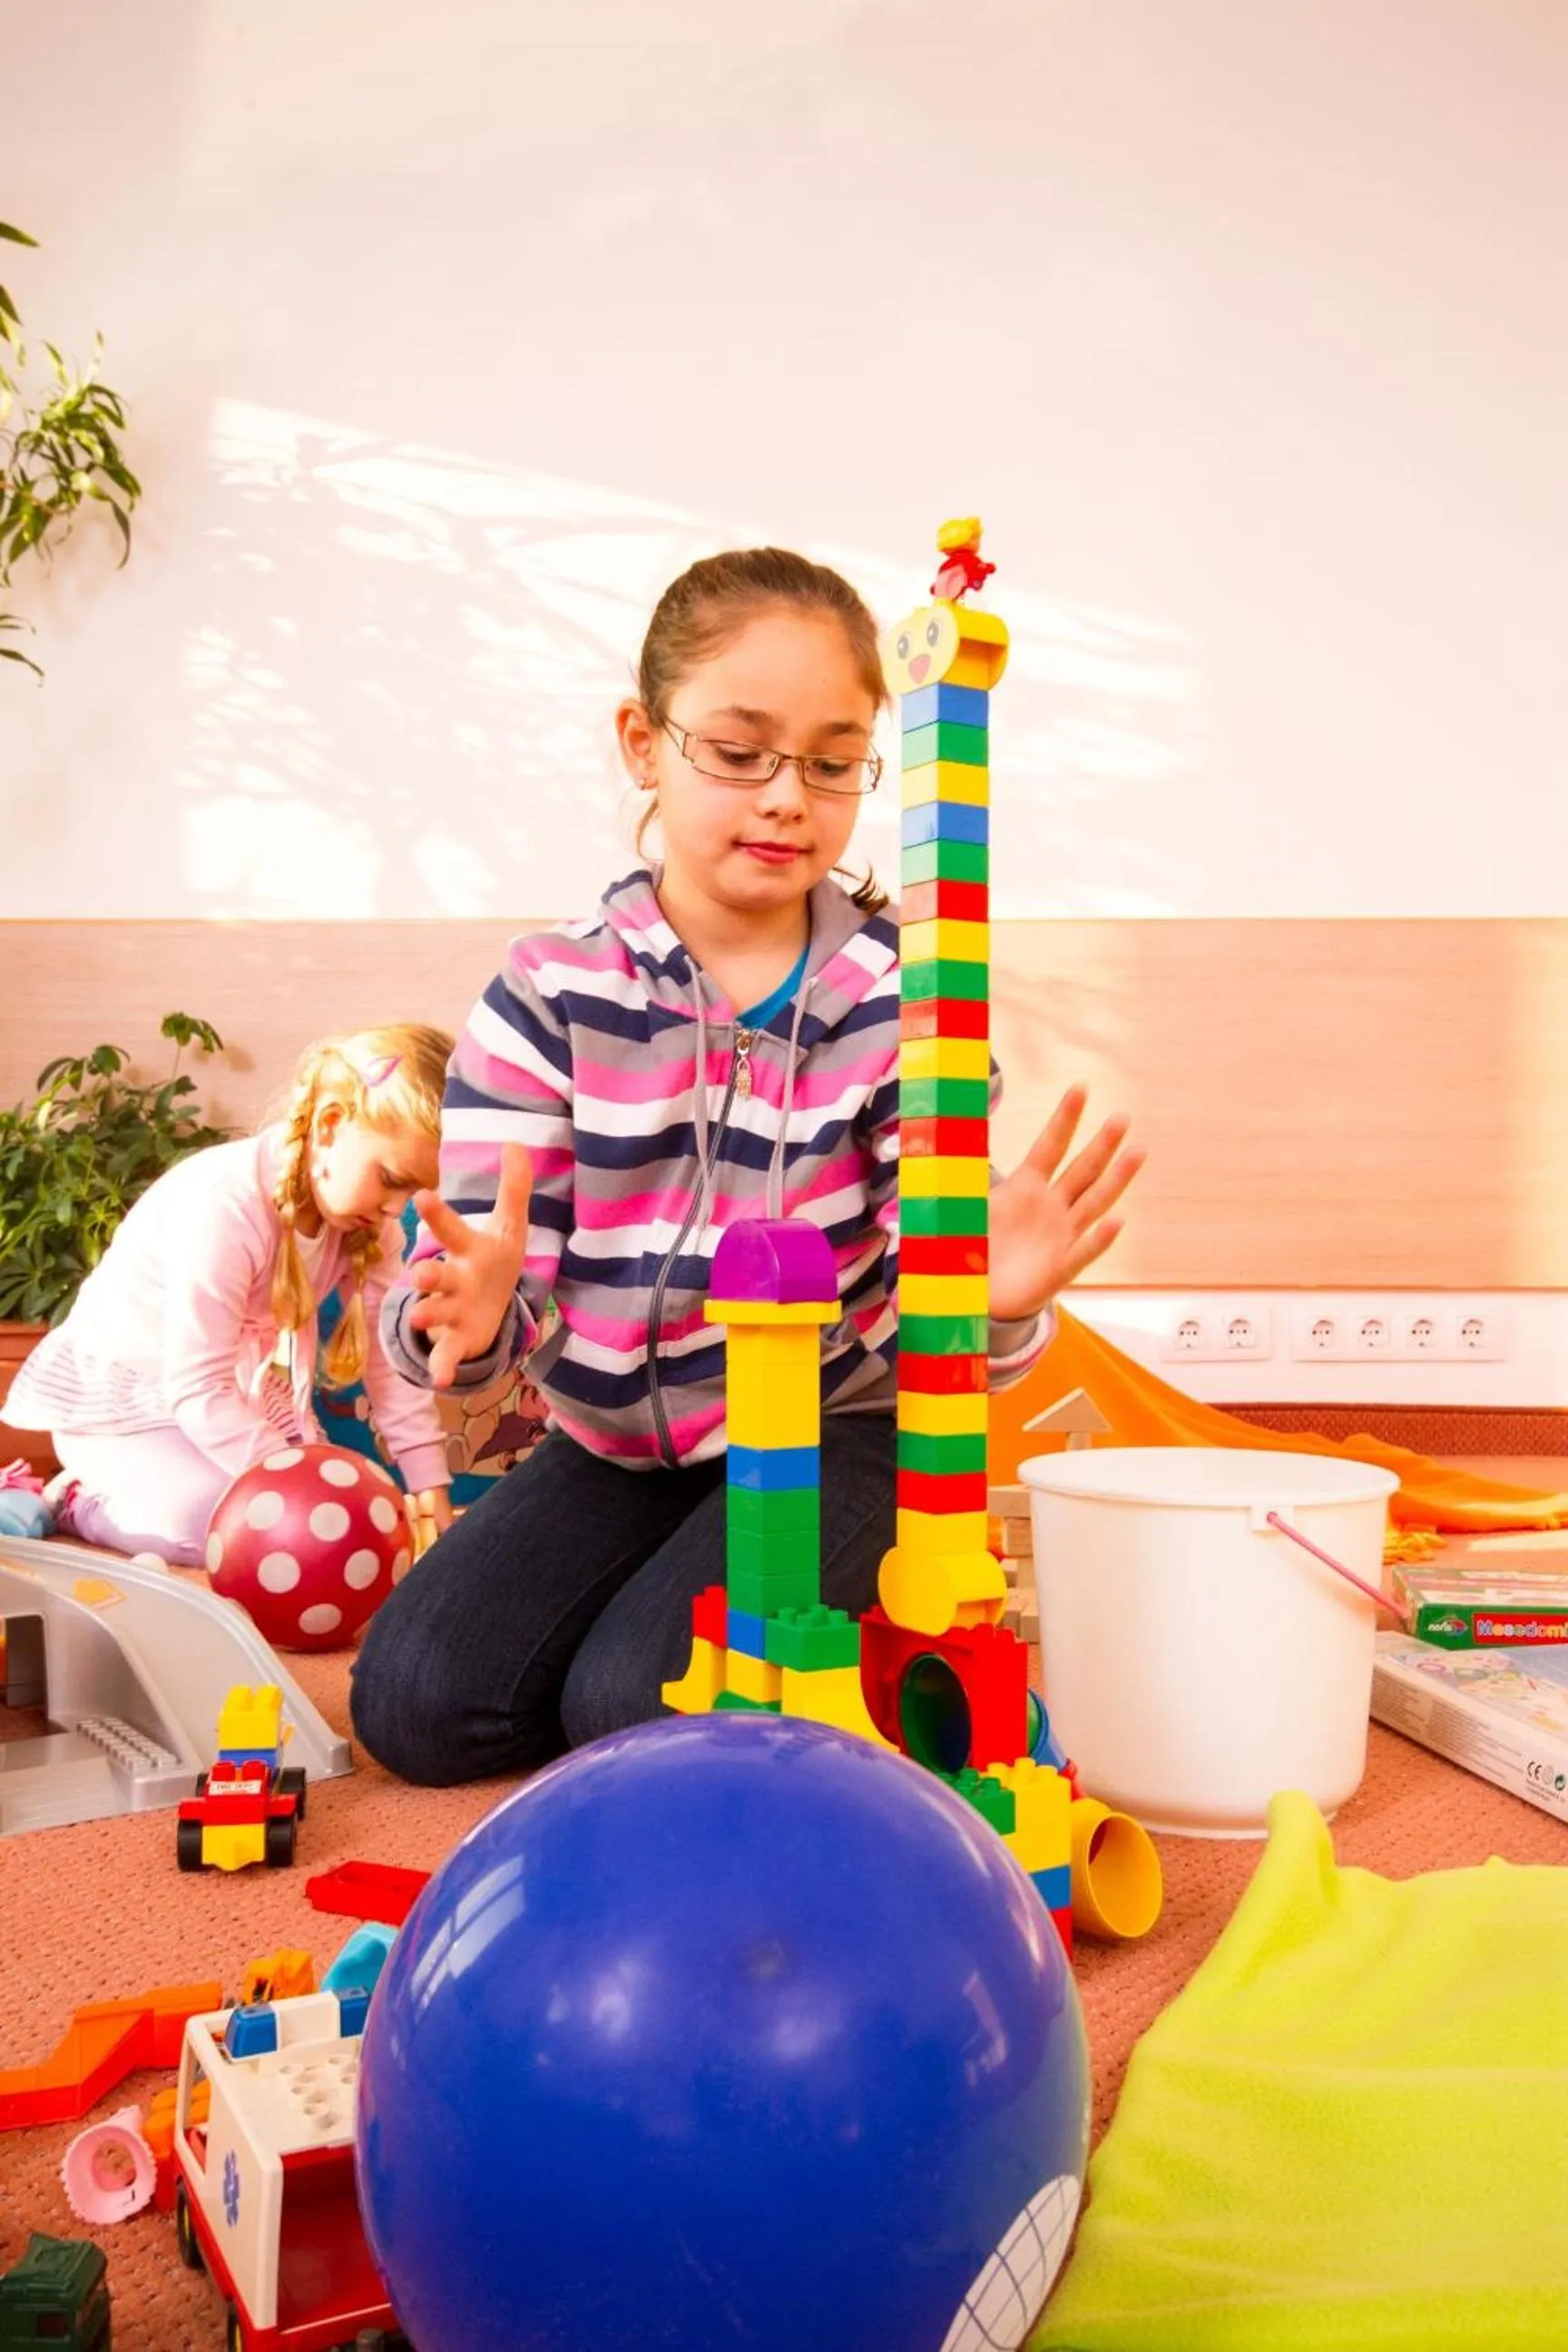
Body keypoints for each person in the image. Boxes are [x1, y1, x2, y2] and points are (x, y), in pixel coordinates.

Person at [351, 548, 1142, 1786]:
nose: (787, 798)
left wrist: (996, 1303)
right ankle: (676, 1632)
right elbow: (473, 1297)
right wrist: (469, 1315)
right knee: (413, 1704)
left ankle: (746, 1678)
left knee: (635, 1705)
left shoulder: (904, 1005)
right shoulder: (549, 993)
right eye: (739, 750)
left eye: (831, 764)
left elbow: (950, 1343)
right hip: (619, 1447)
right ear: (644, 742)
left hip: (839, 1430)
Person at [9, 1024, 456, 1565]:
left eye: (414, 1191)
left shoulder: (369, 1227)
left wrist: (431, 1487)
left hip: (227, 1403)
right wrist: (293, 1480)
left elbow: (392, 1367)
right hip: (123, 1410)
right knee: (221, 1530)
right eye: (391, 1179)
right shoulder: (225, 1207)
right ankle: (72, 1499)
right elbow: (194, 1384)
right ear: (331, 1125)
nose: (396, 1208)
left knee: (344, 1525)